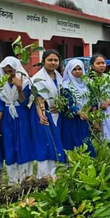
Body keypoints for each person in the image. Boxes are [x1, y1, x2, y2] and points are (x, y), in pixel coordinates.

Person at [0, 57, 33, 185]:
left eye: (11, 71)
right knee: (9, 145)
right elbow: (0, 106)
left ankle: (25, 179)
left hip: (21, 116)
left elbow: (24, 102)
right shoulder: (1, 85)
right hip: (7, 118)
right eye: (5, 72)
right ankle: (12, 181)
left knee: (23, 145)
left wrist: (19, 88)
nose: (9, 74)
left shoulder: (26, 82)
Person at [31, 50, 66, 178]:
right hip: (45, 115)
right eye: (50, 60)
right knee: (45, 145)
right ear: (43, 61)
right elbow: (38, 98)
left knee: (55, 143)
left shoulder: (60, 76)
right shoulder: (38, 78)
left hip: (58, 115)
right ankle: (43, 177)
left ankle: (54, 175)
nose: (53, 63)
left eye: (55, 60)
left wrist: (60, 105)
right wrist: (41, 116)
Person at [90, 53, 110, 153]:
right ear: (92, 66)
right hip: (97, 112)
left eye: (103, 63)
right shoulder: (89, 81)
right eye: (98, 63)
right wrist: (95, 120)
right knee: (101, 136)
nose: (101, 65)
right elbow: (92, 102)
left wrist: (108, 102)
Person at [60, 59, 93, 155]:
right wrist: (79, 112)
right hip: (71, 120)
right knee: (72, 143)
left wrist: (88, 110)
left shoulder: (87, 84)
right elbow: (67, 103)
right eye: (74, 69)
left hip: (86, 118)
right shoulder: (65, 86)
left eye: (80, 69)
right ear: (69, 71)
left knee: (86, 143)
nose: (78, 71)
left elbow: (93, 99)